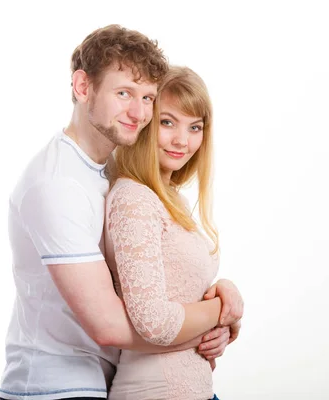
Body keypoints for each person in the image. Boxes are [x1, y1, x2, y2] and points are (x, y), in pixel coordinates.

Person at [0, 25, 242, 400]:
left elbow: (159, 282)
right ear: (83, 88)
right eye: (124, 93)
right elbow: (112, 326)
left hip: (102, 377)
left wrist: (212, 317)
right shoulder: (57, 184)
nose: (139, 111)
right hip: (53, 387)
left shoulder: (111, 169)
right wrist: (217, 314)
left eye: (147, 98)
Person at [104, 66, 240, 400]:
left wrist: (222, 292)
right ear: (145, 121)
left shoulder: (169, 196)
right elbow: (153, 321)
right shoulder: (133, 198)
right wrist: (225, 310)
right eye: (168, 122)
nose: (183, 140)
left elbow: (177, 290)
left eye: (195, 127)